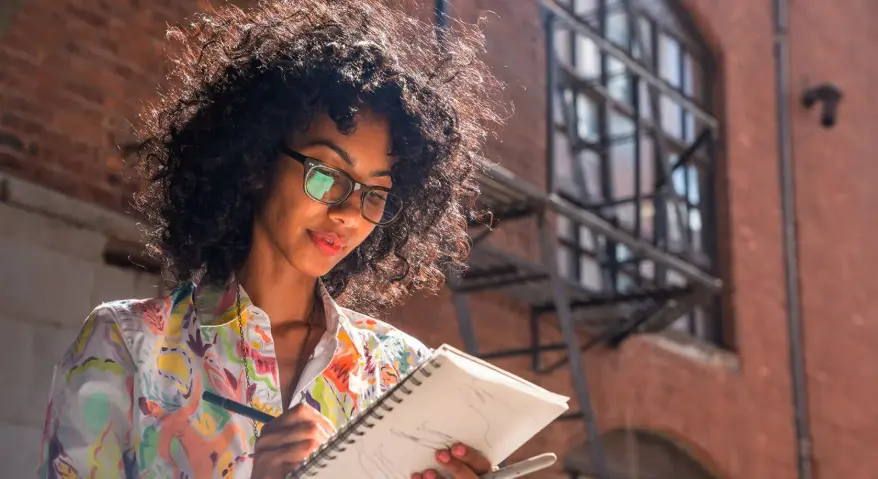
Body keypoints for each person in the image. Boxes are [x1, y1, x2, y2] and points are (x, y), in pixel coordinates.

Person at [37, 1, 504, 478]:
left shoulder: (400, 372)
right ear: (257, 163)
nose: (347, 214)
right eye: (327, 175)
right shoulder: (127, 348)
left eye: (375, 193)